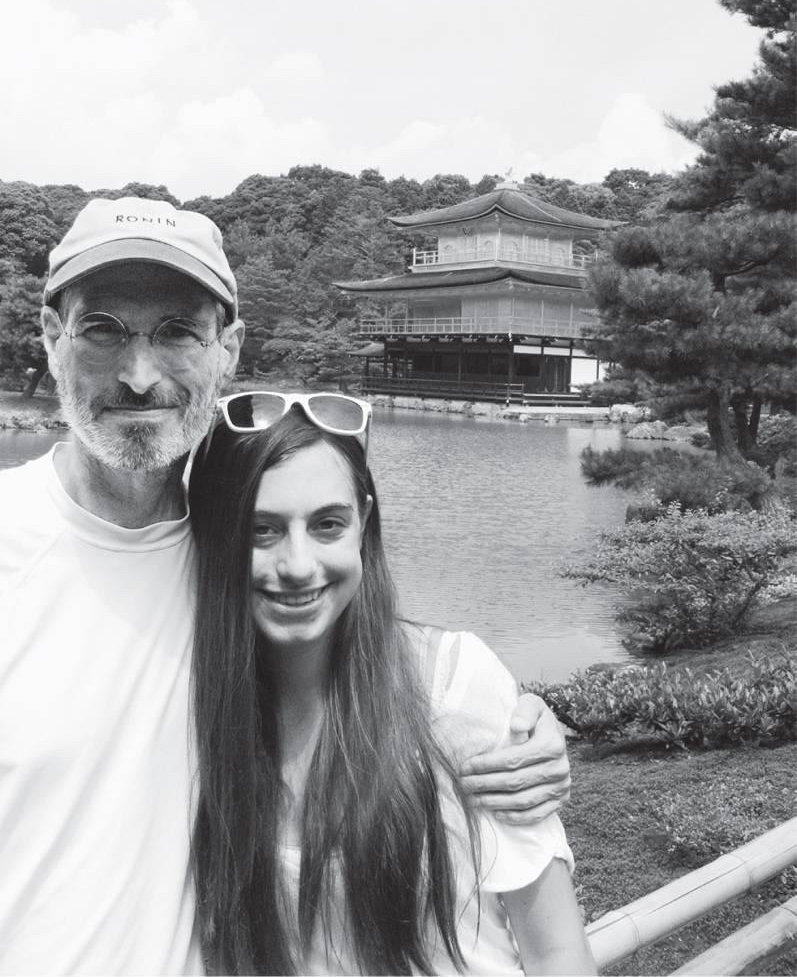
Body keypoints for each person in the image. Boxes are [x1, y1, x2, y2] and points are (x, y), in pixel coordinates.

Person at [0, 196, 571, 975]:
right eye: (102, 329)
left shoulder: (226, 541)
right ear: (50, 336)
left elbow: (366, 640)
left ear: (227, 349)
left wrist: (500, 710)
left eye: (177, 332)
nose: (138, 376)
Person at [188, 392, 596, 975]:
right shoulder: (185, 705)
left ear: (365, 523)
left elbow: (556, 948)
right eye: (261, 530)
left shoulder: (451, 686)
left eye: (328, 524)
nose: (299, 564)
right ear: (213, 532)